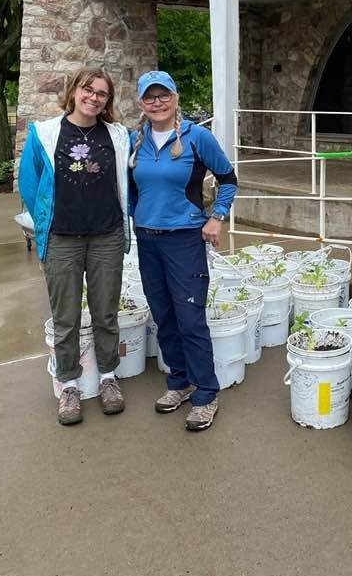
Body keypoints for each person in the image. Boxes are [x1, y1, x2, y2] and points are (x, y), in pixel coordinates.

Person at [18, 66, 131, 425]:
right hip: (62, 238)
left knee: (106, 312)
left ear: (107, 100)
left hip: (106, 236)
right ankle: (68, 383)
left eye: (102, 93)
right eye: (88, 90)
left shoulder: (118, 134)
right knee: (66, 316)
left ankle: (109, 378)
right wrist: (45, 226)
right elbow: (29, 184)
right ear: (74, 91)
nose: (94, 97)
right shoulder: (45, 132)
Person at [129, 71, 237, 432]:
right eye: (150, 97)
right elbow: (131, 189)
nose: (157, 103)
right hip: (148, 238)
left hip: (185, 239)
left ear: (175, 98)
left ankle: (206, 393)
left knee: (190, 317)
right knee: (164, 315)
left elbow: (228, 179)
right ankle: (180, 382)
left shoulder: (198, 137)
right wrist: (132, 220)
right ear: (141, 103)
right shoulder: (135, 139)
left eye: (163, 96)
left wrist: (216, 218)